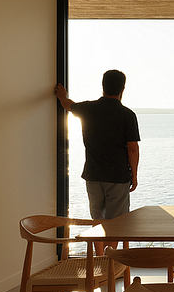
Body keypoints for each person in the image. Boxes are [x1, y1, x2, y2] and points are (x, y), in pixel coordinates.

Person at [54, 70, 140, 221]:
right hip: (118, 176)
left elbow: (68, 105)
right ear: (122, 88)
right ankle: (111, 246)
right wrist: (134, 175)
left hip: (93, 175)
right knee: (118, 223)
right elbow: (133, 148)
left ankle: (101, 246)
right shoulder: (127, 115)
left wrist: (62, 96)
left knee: (97, 222)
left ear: (103, 86)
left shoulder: (88, 109)